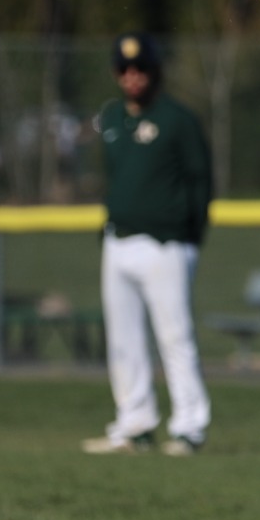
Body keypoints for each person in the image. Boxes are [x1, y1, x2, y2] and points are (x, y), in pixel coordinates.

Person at [81, 33, 213, 457]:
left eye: (140, 69)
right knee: (123, 340)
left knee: (174, 337)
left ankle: (189, 426)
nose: (132, 77)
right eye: (124, 69)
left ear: (155, 72)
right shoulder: (113, 120)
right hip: (119, 241)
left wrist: (189, 238)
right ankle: (134, 422)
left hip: (165, 244)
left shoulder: (178, 120)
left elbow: (201, 182)